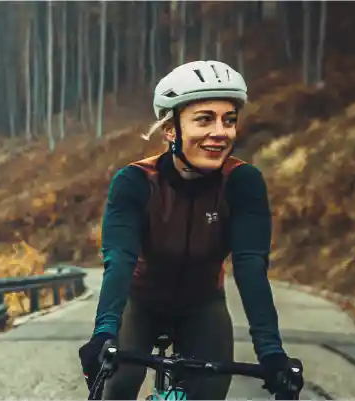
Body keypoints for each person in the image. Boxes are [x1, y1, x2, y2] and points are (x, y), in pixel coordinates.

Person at [77, 60, 301, 400]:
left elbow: (251, 267)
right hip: (141, 300)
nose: (220, 132)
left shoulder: (242, 182)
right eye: (204, 119)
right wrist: (103, 335)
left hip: (203, 304)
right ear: (170, 130)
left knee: (210, 391)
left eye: (229, 120)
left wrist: (272, 354)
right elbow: (119, 260)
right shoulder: (135, 181)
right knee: (118, 383)